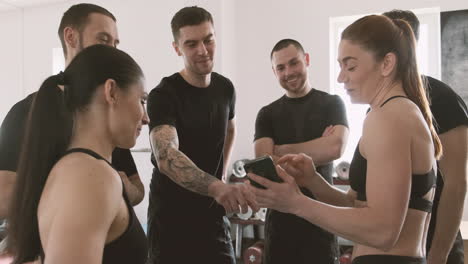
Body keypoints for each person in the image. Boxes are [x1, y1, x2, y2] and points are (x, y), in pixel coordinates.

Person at [249, 14, 441, 264]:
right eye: (340, 66)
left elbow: (383, 232)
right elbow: (357, 204)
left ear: (386, 64)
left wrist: (296, 203)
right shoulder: (397, 113)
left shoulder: (389, 118)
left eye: (350, 66)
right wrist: (313, 181)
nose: (341, 77)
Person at [0, 3, 144, 223]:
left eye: (115, 43)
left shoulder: (109, 111)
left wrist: (121, 189)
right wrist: (80, 192)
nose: (112, 51)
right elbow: (3, 198)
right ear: (71, 37)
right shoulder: (25, 113)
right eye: (104, 40)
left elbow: (137, 188)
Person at [6, 44, 148, 264]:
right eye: (142, 100)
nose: (146, 117)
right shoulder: (91, 176)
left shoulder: (78, 170)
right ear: (111, 91)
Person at [147, 6, 257, 264]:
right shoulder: (164, 95)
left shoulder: (224, 88)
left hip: (211, 217)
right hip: (171, 221)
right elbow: (166, 156)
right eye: (191, 44)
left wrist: (221, 172)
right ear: (177, 48)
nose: (203, 50)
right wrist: (216, 186)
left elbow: (230, 128)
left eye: (208, 40)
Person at [383, 9, 468, 264]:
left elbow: (456, 184)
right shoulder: (377, 104)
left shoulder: (443, 100)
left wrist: (438, 256)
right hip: (392, 246)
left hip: (433, 248)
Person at [254, 38, 348, 264]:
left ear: (306, 60)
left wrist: (282, 149)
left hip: (321, 223)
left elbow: (335, 147)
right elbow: (265, 162)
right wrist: (317, 146)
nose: (288, 72)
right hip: (280, 228)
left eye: (294, 63)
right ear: (274, 71)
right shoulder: (267, 114)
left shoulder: (332, 104)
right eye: (281, 67)